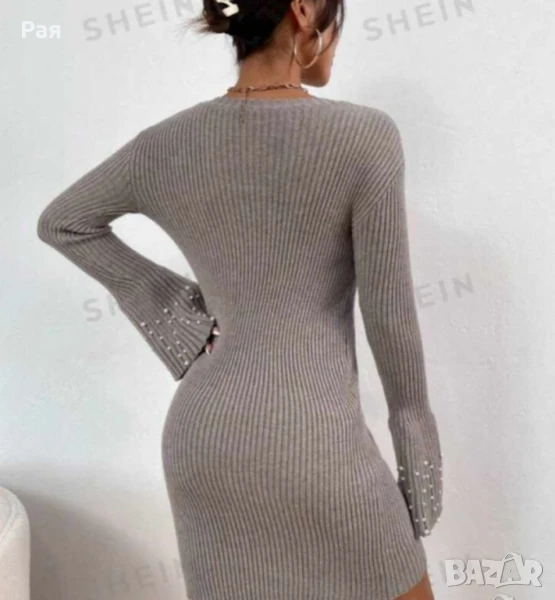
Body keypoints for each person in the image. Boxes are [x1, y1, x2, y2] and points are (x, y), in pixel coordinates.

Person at [36, 0, 444, 598]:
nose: (336, 41)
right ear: (304, 11)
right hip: (317, 444)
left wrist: (178, 316)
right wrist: (417, 453)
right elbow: (390, 315)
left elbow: (63, 223)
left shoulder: (164, 143)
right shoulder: (365, 135)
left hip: (202, 442)